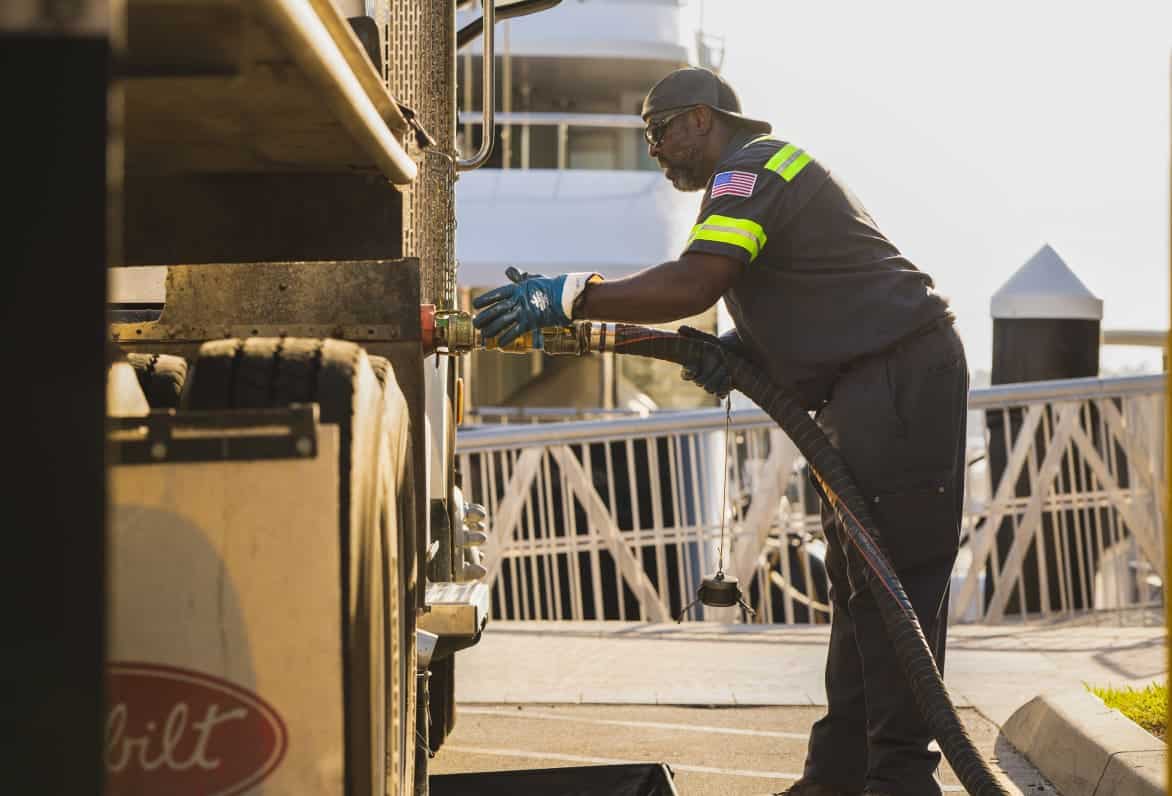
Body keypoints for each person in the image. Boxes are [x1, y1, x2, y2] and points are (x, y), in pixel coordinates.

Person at [472, 66, 968, 796]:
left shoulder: (752, 170)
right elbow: (808, 286)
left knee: (894, 582)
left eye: (658, 131)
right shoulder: (754, 179)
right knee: (863, 585)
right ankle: (837, 779)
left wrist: (572, 295)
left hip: (896, 377)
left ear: (700, 118)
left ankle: (899, 782)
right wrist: (744, 349)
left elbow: (693, 284)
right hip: (869, 384)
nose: (654, 151)